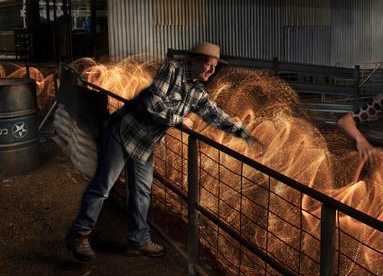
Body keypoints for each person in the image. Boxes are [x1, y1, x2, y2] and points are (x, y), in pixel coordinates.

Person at [66, 42, 258, 262]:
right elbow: (153, 102)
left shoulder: (197, 92)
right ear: (195, 61)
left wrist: (245, 135)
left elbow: (215, 115)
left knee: (141, 192)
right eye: (209, 65)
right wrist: (180, 120)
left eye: (215, 67)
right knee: (103, 186)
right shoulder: (172, 70)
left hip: (144, 144)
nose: (212, 71)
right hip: (124, 132)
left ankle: (138, 241)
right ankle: (79, 234)